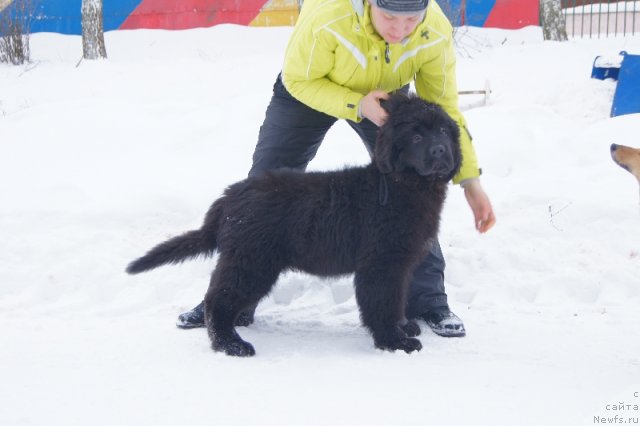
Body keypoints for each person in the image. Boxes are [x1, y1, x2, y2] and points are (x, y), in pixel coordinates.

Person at [176, 0, 496, 337]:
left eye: (411, 20)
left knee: (408, 198)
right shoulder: (328, 17)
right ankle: (232, 300)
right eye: (389, 17)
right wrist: (357, 104)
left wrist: (470, 182)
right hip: (311, 90)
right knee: (263, 190)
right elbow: (298, 79)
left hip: (385, 99)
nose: (400, 30)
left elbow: (443, 113)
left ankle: (428, 301)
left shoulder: (435, 30)